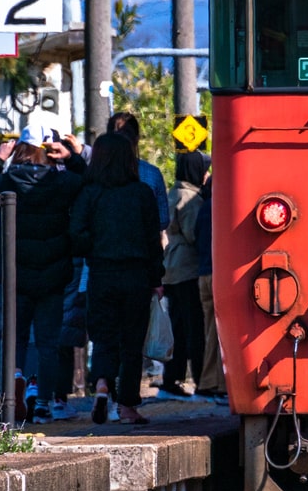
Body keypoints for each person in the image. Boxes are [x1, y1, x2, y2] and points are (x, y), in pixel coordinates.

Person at [0, 127, 86, 421]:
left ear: (19, 149)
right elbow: (89, 183)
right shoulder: (62, 182)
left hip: (17, 273)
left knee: (16, 337)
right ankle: (44, 403)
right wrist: (72, 156)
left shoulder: (7, 180)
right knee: (48, 342)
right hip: (53, 274)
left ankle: (15, 391)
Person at [70, 132, 163, 424]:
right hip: (136, 274)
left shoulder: (89, 193)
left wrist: (95, 248)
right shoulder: (142, 193)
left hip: (101, 272)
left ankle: (100, 386)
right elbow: (153, 241)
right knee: (132, 343)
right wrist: (156, 278)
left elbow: (76, 234)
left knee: (104, 338)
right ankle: (127, 407)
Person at [162, 152, 210, 396]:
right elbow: (194, 233)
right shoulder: (189, 197)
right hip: (187, 268)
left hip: (171, 267)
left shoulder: (174, 191)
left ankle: (171, 379)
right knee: (195, 328)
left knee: (178, 327)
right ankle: (202, 379)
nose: (207, 174)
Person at [106, 112, 170, 230]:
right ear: (137, 139)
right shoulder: (152, 174)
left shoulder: (97, 174)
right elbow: (163, 220)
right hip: (144, 245)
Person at [193, 168, 225, 398]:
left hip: (202, 274)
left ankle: (209, 381)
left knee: (209, 330)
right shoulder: (221, 208)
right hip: (217, 274)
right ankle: (214, 382)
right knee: (218, 332)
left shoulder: (203, 207)